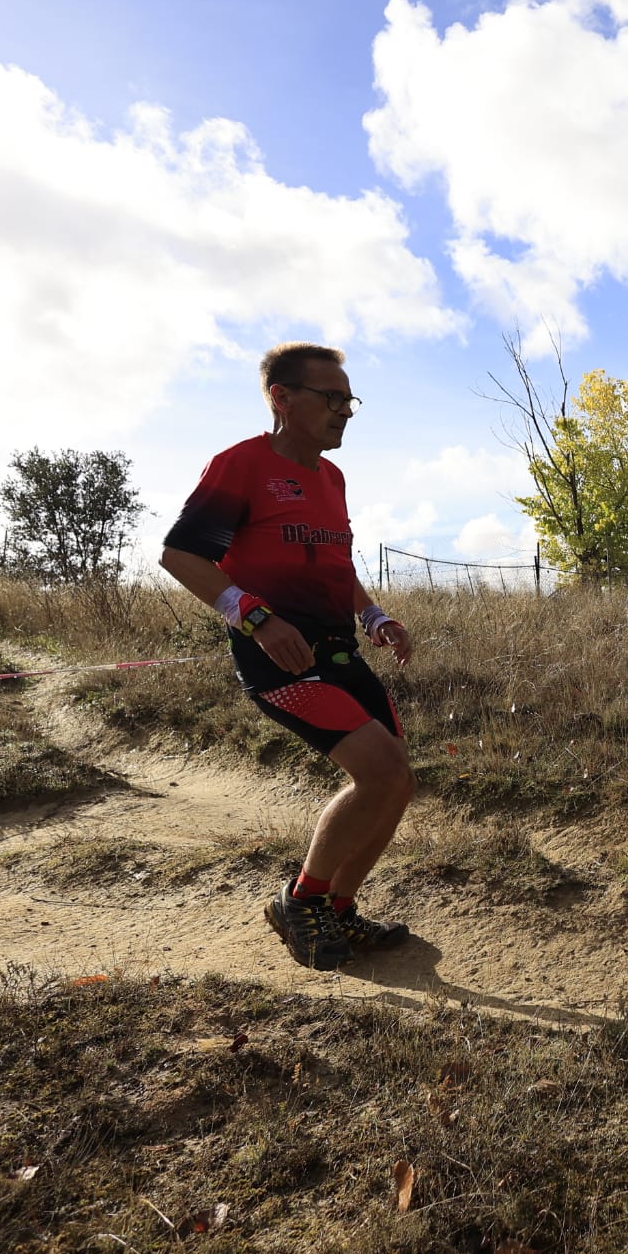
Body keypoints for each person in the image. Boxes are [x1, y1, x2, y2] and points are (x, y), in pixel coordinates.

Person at [161, 342, 417, 972]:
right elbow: (181, 556)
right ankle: (298, 902)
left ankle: (338, 909)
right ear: (282, 398)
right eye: (332, 398)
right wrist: (252, 616)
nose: (346, 411)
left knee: (398, 783)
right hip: (278, 657)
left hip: (339, 649)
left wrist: (373, 615)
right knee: (380, 773)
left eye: (349, 399)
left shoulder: (332, 478)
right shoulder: (241, 466)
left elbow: (333, 560)